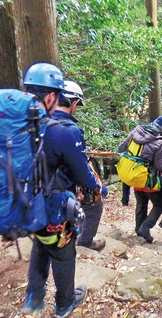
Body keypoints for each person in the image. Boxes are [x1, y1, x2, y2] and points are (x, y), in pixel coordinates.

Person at [22, 63, 102, 318]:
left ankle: (34, 298)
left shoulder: (20, 124)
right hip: (51, 205)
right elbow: (83, 176)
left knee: (41, 244)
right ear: (51, 97)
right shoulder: (64, 131)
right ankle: (65, 303)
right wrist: (101, 188)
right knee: (63, 251)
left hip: (24, 203)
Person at [53, 80, 107, 251]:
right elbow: (80, 169)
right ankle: (84, 242)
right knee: (94, 206)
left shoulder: (43, 122)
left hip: (44, 183)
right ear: (73, 102)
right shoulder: (70, 129)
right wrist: (98, 186)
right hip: (64, 182)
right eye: (77, 105)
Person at [118, 116, 162, 232]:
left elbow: (121, 148)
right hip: (147, 180)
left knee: (141, 203)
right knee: (160, 201)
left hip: (132, 177)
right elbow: (161, 166)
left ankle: (139, 229)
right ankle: (155, 224)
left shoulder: (136, 131)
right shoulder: (160, 143)